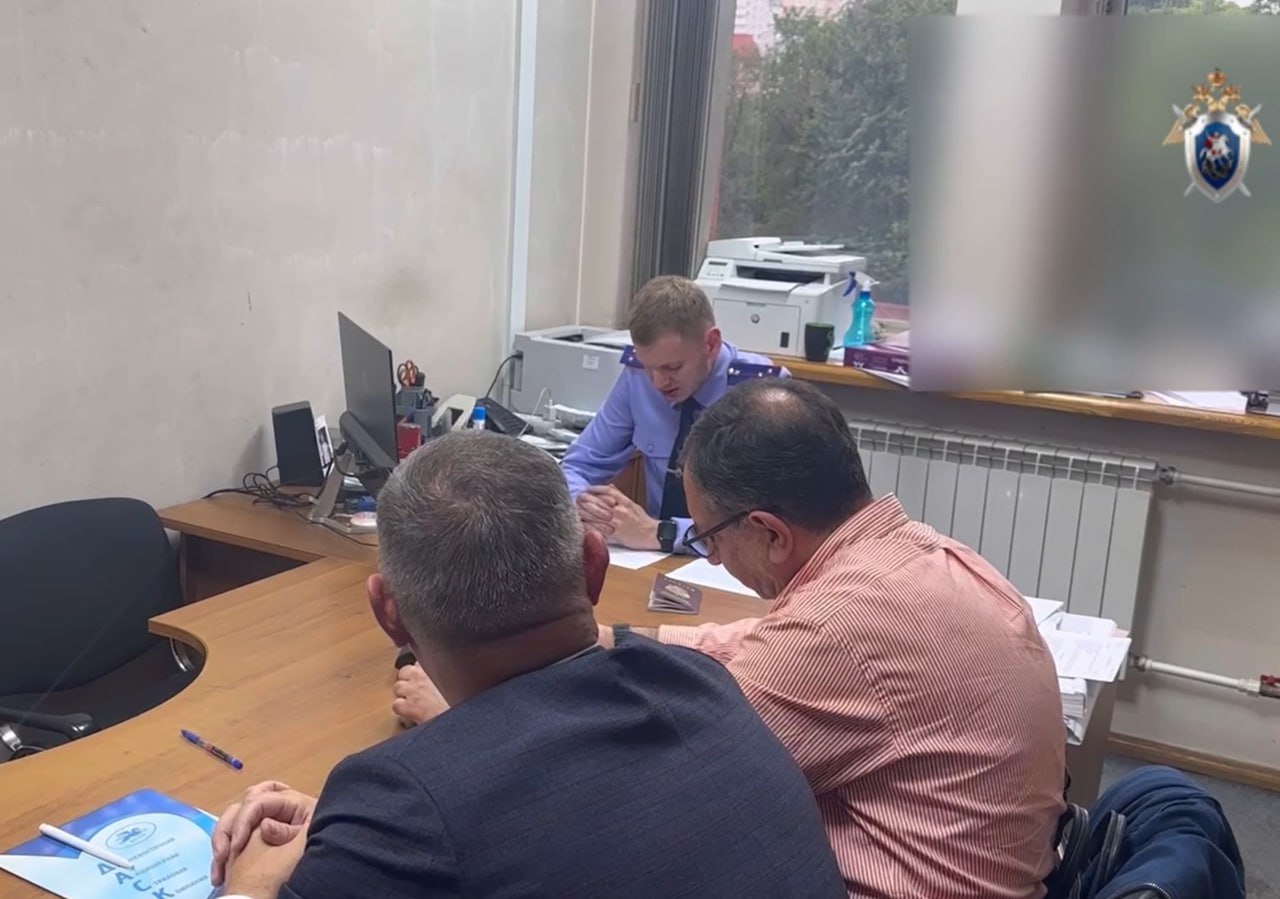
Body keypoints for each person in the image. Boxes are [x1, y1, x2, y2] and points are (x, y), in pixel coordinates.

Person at [210, 430, 845, 899]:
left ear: (389, 615)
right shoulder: (702, 684)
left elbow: (475, 818)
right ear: (593, 569)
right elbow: (559, 823)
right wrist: (344, 831)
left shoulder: (404, 807)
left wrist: (252, 883)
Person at [601, 379, 1068, 899]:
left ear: (771, 533)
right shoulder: (922, 558)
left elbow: (671, 785)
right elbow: (762, 640)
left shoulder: (836, 626)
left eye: (710, 539)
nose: (713, 560)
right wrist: (616, 640)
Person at [561, 274, 782, 553]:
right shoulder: (637, 378)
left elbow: (768, 523)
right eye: (648, 367)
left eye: (672, 368)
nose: (657, 383)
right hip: (655, 558)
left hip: (736, 564)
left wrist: (661, 533)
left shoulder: (764, 394)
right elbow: (577, 465)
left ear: (711, 344)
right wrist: (586, 504)